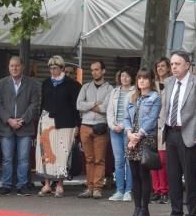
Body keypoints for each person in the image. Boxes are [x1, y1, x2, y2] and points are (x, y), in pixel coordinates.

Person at [158, 50, 196, 216]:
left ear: (188, 65)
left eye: (178, 64)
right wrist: (161, 128)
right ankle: (176, 215)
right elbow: (165, 107)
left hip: (190, 135)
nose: (174, 67)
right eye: (172, 64)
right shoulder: (168, 83)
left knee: (190, 179)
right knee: (173, 177)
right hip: (171, 133)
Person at [0, 56, 41, 196]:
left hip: (24, 127)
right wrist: (9, 119)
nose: (14, 68)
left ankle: (22, 186)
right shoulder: (1, 83)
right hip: (6, 126)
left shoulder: (33, 84)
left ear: (22, 67)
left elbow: (34, 104)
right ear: (8, 67)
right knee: (7, 159)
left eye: (17, 66)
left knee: (23, 158)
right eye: (11, 66)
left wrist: (23, 120)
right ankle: (6, 185)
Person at [37, 55, 81, 197]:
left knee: (62, 153)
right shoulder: (46, 83)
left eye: (55, 68)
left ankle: (60, 185)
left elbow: (76, 107)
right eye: (50, 68)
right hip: (47, 121)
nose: (52, 70)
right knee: (46, 153)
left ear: (62, 68)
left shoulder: (72, 84)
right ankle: (47, 184)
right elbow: (42, 102)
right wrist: (41, 119)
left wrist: (77, 125)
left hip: (66, 122)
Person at [125, 68, 162, 216]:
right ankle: (136, 208)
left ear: (151, 81)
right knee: (134, 176)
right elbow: (126, 117)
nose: (141, 81)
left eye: (145, 78)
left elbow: (152, 120)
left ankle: (144, 211)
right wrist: (128, 133)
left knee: (143, 175)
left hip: (145, 139)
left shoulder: (155, 98)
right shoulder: (133, 97)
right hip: (132, 139)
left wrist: (137, 136)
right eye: (139, 78)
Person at [76, 60, 112, 199]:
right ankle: (89, 187)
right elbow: (79, 105)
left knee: (99, 160)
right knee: (89, 159)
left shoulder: (110, 89)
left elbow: (106, 108)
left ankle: (97, 188)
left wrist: (89, 106)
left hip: (101, 126)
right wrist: (94, 104)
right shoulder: (85, 87)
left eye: (97, 69)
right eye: (92, 70)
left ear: (103, 71)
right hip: (85, 126)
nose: (94, 72)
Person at [106, 68, 135, 201]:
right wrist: (113, 125)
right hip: (114, 130)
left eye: (127, 76)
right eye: (122, 75)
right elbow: (109, 111)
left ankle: (129, 191)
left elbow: (133, 112)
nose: (125, 78)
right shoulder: (114, 91)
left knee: (129, 160)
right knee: (118, 161)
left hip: (128, 131)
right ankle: (119, 190)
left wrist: (123, 126)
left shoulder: (135, 91)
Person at [151, 57, 172, 204]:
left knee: (163, 161)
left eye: (163, 66)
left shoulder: (171, 84)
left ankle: (165, 190)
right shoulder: (152, 85)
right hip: (152, 127)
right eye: (158, 66)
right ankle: (156, 189)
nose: (160, 68)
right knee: (153, 160)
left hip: (165, 127)